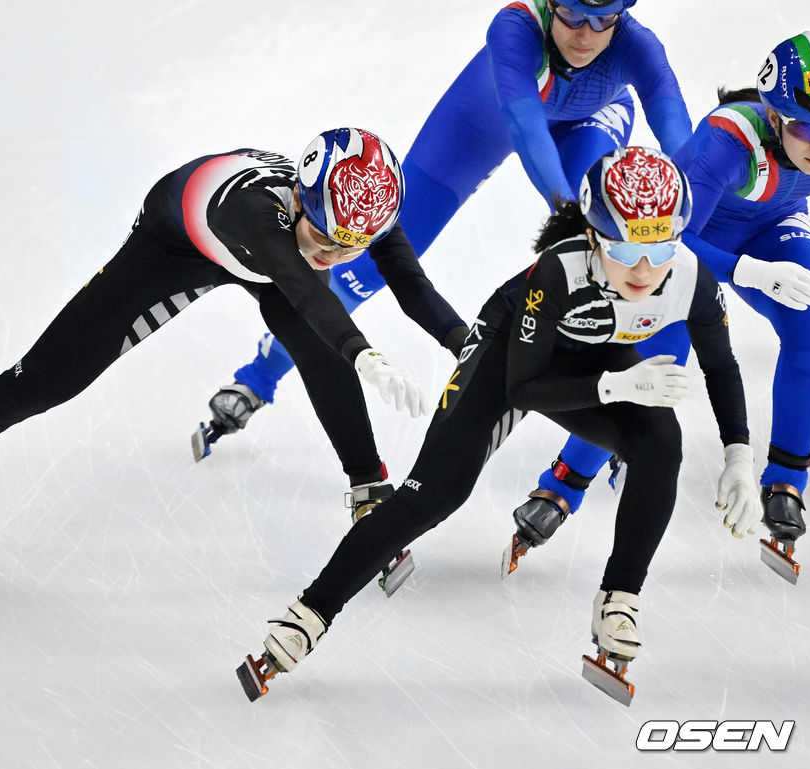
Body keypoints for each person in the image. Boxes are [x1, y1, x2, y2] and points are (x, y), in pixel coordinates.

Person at [0, 128, 469, 570]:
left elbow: (411, 283)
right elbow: (300, 281)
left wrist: (465, 343)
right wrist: (364, 351)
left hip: (271, 256)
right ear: (300, 197)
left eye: (347, 248)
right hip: (175, 242)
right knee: (40, 383)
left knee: (320, 351)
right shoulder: (260, 216)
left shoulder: (359, 210)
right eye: (323, 237)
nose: (330, 253)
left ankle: (367, 492)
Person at [236, 146, 761, 705]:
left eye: (659, 247)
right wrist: (616, 386)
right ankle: (308, 614)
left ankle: (619, 601)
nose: (644, 269)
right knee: (433, 495)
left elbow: (722, 365)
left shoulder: (688, 277)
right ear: (592, 237)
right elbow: (524, 390)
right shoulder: (557, 273)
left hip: (591, 362)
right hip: (508, 358)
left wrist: (739, 455)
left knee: (662, 445)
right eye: (627, 247)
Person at [195, 0, 694, 453]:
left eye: (603, 19)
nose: (585, 35)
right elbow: (525, 126)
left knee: (617, 253)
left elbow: (684, 146)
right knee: (365, 261)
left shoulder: (637, 44)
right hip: (488, 112)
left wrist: (695, 213)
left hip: (593, 117)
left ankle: (616, 430)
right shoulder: (516, 28)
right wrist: (566, 206)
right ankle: (258, 377)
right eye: (571, 16)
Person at [506, 32, 810, 585]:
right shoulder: (728, 141)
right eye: (804, 127)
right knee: (655, 362)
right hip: (680, 247)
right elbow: (678, 239)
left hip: (774, 234)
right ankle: (562, 483)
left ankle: (787, 479)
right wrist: (748, 272)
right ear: (773, 113)